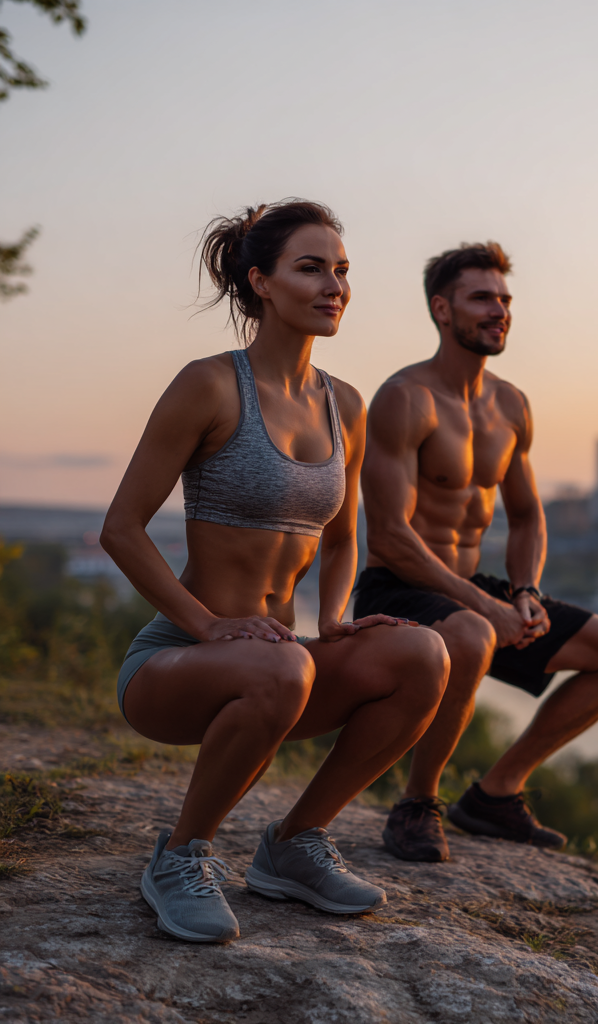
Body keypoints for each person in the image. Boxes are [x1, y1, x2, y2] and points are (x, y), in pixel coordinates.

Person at [100, 200, 450, 942]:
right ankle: (179, 856)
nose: (335, 286)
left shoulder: (345, 404)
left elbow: (343, 535)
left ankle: (294, 844)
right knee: (279, 667)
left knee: (423, 653)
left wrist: (334, 622)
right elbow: (121, 530)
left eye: (343, 271)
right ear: (261, 282)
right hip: (179, 660)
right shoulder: (210, 385)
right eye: (311, 268)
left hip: (278, 660)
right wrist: (208, 625)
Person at [356, 242, 598, 863]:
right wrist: (485, 608)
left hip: (472, 590)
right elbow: (388, 536)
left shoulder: (510, 405)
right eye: (482, 298)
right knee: (471, 634)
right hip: (399, 586)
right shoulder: (405, 398)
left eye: (506, 299)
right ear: (442, 309)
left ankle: (495, 793)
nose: (500, 311)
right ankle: (416, 803)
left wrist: (524, 593)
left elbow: (526, 517)